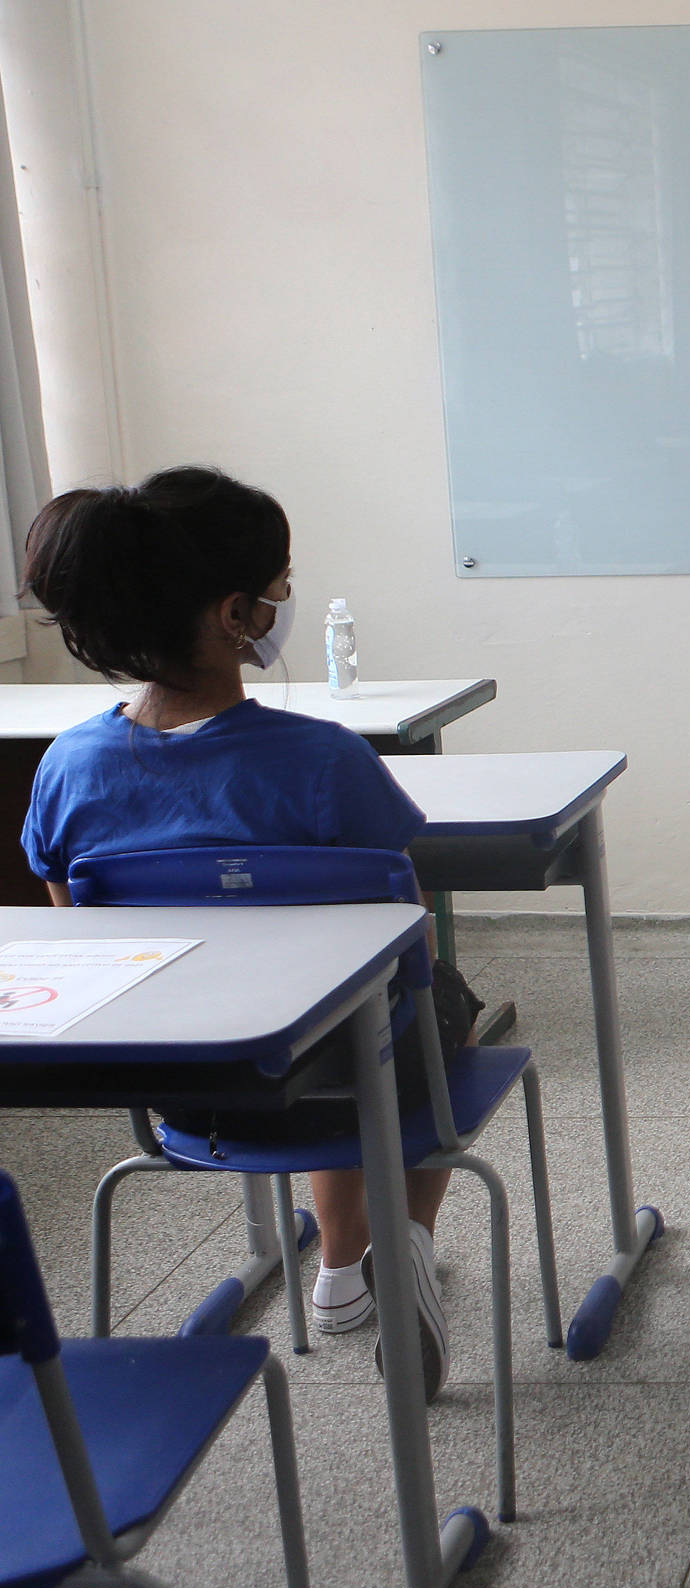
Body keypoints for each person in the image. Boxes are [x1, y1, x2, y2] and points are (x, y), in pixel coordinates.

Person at [20, 466, 473, 1396]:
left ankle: (341, 1277)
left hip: (179, 1091)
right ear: (236, 615)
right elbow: (404, 941)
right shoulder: (327, 763)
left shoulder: (68, 769)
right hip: (343, 1062)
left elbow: (84, 948)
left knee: (325, 1028)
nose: (283, 602)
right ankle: (402, 1246)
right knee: (430, 1011)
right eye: (276, 587)